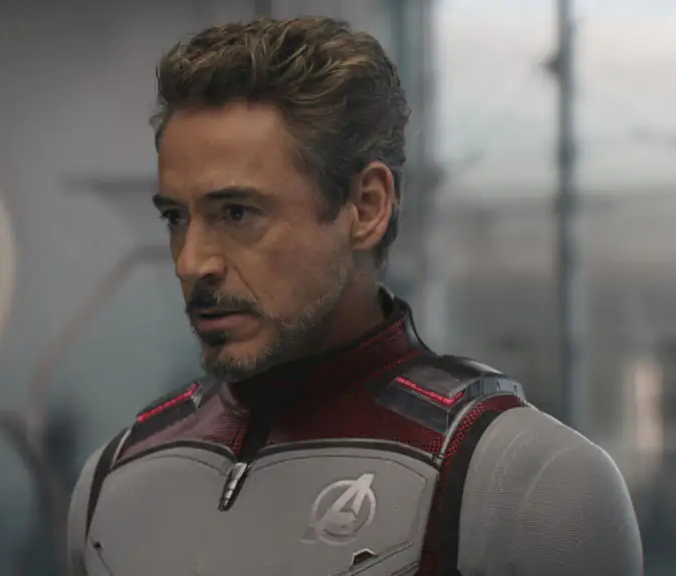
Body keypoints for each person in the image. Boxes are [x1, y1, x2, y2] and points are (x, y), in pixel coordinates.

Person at [66, 16, 643, 576]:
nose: (191, 263)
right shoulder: (112, 480)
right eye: (175, 217)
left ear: (366, 208)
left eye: (236, 213)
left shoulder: (524, 486)